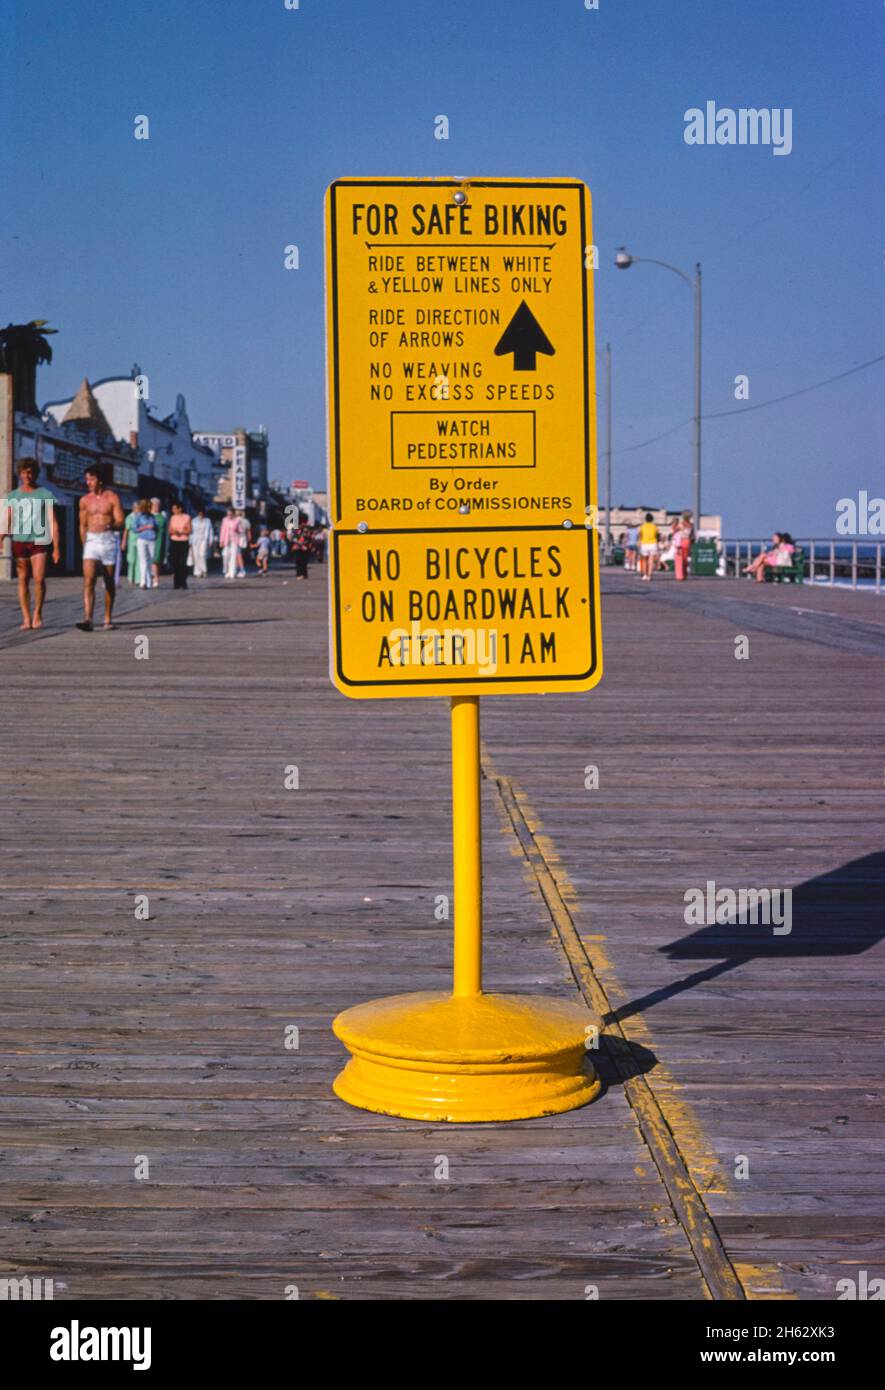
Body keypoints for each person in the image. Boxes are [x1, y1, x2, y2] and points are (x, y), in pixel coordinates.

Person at [4, 457, 60, 630]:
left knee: (39, 579)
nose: (27, 475)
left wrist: (56, 548)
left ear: (35, 473)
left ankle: (37, 613)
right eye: (23, 472)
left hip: (39, 541)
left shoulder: (44, 493)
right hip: (20, 541)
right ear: (19, 474)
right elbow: (6, 520)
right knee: (22, 579)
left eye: (30, 472)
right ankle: (26, 617)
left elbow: (53, 522)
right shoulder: (13, 495)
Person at [77, 464, 124, 630]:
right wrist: (85, 544)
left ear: (100, 480)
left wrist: (112, 524)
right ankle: (88, 618)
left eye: (92, 479)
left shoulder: (112, 498)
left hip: (108, 540)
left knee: (108, 581)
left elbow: (120, 521)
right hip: (92, 540)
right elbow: (82, 525)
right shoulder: (84, 500)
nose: (88, 482)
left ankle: (107, 617)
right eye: (87, 479)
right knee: (88, 580)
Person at [168, 501, 193, 590]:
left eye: (175, 508)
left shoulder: (187, 517)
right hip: (174, 541)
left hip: (183, 541)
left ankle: (183, 582)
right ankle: (176, 583)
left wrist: (181, 532)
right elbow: (170, 530)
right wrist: (174, 532)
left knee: (182, 562)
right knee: (175, 563)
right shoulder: (172, 517)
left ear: (180, 509)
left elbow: (190, 530)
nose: (173, 510)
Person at [133, 498, 157, 588]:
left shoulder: (152, 517)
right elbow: (134, 529)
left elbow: (156, 527)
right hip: (142, 539)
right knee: (143, 561)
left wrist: (154, 531)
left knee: (150, 560)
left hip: (151, 539)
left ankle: (149, 581)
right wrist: (145, 527)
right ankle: (143, 582)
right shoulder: (138, 517)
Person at [672, 511, 694, 581]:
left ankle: (680, 576)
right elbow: (692, 535)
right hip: (687, 542)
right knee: (685, 559)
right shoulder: (691, 525)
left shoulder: (681, 524)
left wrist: (674, 525)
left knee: (679, 559)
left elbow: (675, 530)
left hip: (681, 542)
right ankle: (684, 573)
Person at [150, 497, 167, 588]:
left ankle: (156, 576)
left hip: (161, 538)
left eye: (158, 505)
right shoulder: (149, 515)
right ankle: (155, 577)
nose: (156, 506)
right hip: (151, 538)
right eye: (155, 505)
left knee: (158, 559)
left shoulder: (163, 515)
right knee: (153, 559)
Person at [638, 512, 658, 582]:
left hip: (644, 544)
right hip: (653, 543)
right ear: (652, 519)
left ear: (645, 519)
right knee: (651, 561)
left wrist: (639, 542)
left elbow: (640, 535)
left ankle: (644, 575)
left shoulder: (642, 526)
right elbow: (656, 535)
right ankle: (649, 575)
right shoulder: (654, 526)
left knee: (644, 560)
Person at [219, 507, 239, 579]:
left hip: (234, 540)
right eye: (228, 514)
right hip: (226, 540)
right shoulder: (224, 520)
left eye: (230, 514)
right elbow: (222, 530)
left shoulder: (237, 520)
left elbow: (241, 530)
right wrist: (221, 541)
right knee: (226, 556)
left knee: (233, 557)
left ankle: (232, 573)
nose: (229, 515)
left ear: (233, 513)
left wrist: (237, 528)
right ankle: (227, 571)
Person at [124, 501, 140, 585]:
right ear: (133, 508)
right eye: (136, 508)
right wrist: (123, 541)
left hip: (140, 540)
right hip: (131, 541)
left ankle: (138, 579)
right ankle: (130, 577)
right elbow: (126, 530)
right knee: (131, 559)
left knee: (139, 560)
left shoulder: (141, 517)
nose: (137, 510)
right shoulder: (129, 517)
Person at [235, 511, 250, 578]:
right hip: (243, 539)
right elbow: (248, 531)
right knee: (239, 555)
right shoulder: (246, 521)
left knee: (238, 555)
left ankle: (241, 570)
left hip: (237, 539)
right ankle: (239, 569)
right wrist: (249, 539)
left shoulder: (235, 520)